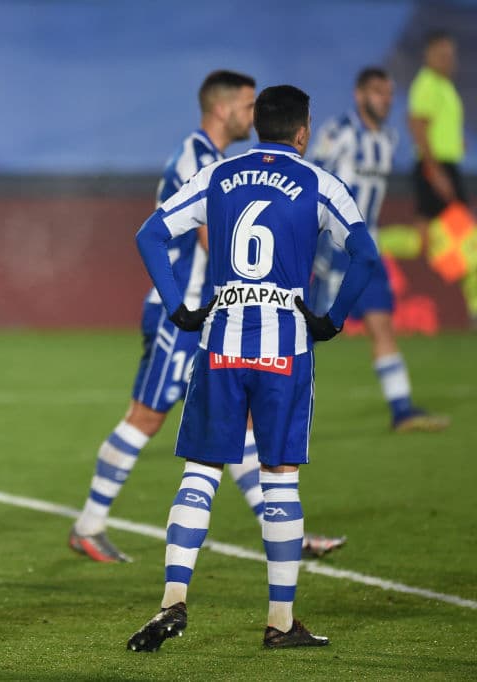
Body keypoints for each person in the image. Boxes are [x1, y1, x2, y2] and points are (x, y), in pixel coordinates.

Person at [127, 85, 378, 652]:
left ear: (258, 124)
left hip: (220, 340)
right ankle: (280, 621)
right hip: (285, 345)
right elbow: (364, 254)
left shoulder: (219, 175)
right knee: (279, 478)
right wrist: (333, 317)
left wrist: (178, 308)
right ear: (302, 130)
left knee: (200, 472)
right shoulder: (318, 182)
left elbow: (151, 234)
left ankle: (172, 601)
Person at [70, 71, 343, 564]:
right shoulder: (200, 159)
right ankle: (89, 524)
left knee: (236, 428)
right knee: (147, 417)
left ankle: (284, 532)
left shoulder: (217, 162)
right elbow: (210, 241)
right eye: (245, 104)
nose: (251, 114)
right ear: (222, 109)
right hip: (188, 314)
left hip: (212, 317)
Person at [310, 67, 450, 432]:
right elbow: (312, 184)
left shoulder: (388, 139)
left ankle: (402, 410)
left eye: (389, 93)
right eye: (377, 92)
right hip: (335, 247)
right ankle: (252, 397)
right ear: (359, 95)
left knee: (382, 325)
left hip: (367, 248)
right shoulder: (338, 132)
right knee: (307, 330)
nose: (385, 100)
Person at [408, 31, 467, 232]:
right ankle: (379, 249)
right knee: (457, 231)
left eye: (450, 55)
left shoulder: (445, 85)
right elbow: (417, 125)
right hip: (435, 166)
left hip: (445, 164)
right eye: (442, 55)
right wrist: (435, 172)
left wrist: (457, 141)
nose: (448, 60)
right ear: (428, 55)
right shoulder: (428, 83)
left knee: (435, 232)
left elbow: (441, 124)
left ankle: (381, 250)